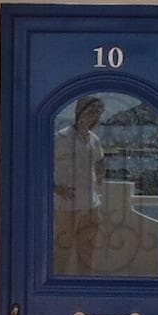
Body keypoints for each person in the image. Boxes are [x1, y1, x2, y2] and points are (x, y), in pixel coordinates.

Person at [53, 95, 106, 275]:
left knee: (87, 256)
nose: (94, 116)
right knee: (61, 255)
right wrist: (56, 188)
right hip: (66, 207)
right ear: (79, 111)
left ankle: (85, 289)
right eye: (91, 111)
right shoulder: (60, 138)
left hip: (91, 206)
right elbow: (40, 166)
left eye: (98, 112)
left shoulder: (94, 140)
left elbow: (100, 162)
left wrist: (97, 185)